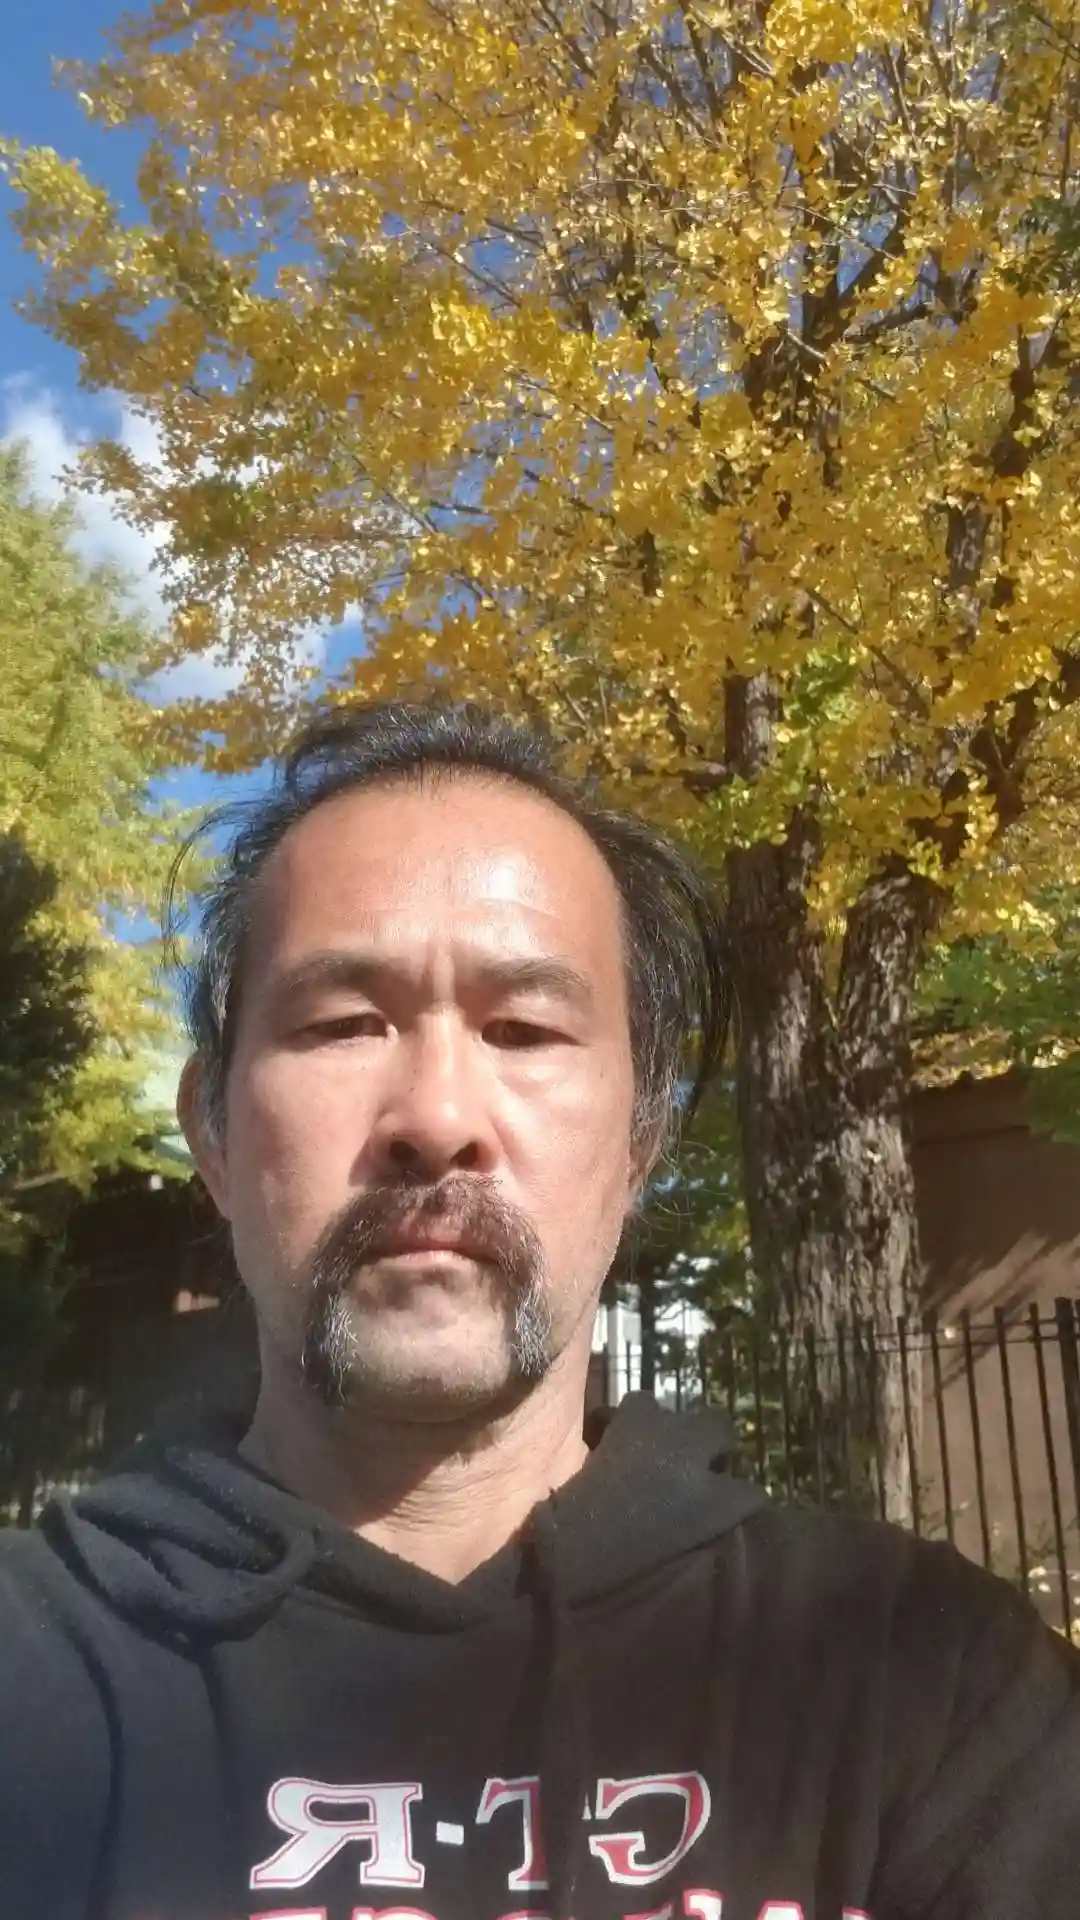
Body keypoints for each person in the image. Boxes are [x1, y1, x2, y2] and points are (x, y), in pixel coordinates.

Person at [1, 700, 1078, 1920]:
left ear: (641, 1142)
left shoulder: (933, 1691)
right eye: (343, 1023)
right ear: (214, 1134)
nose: (436, 1116)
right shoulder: (32, 1678)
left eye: (523, 1028)